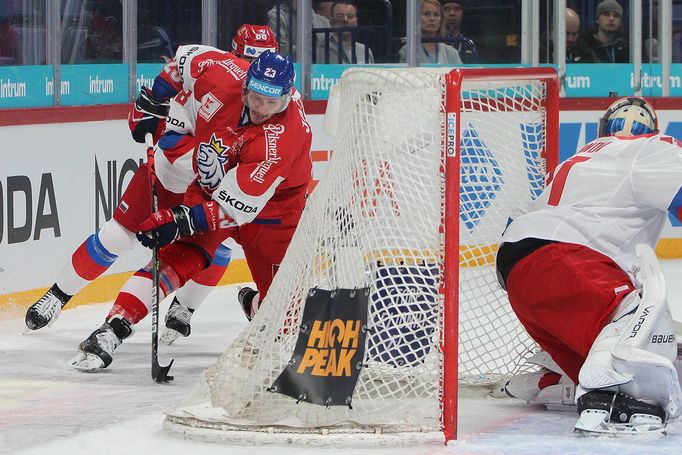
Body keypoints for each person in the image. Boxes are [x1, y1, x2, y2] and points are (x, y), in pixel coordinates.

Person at [24, 26, 279, 347]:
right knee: (118, 234)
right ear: (234, 55)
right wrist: (153, 103)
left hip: (222, 186)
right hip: (175, 171)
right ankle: (57, 295)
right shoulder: (212, 70)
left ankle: (183, 308)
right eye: (244, 60)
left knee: (220, 245)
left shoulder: (279, 104)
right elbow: (176, 72)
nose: (250, 76)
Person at [68, 48, 312, 371]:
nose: (261, 109)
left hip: (275, 208)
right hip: (219, 182)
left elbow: (232, 211)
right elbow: (184, 59)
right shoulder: (221, 72)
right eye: (256, 97)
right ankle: (111, 329)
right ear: (245, 85)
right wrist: (154, 98)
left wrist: (180, 219)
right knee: (181, 257)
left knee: (288, 317)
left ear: (286, 98)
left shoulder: (281, 141)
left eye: (272, 103)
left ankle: (257, 305)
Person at [496, 97, 682, 434]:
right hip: (570, 258)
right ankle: (603, 390)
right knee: (638, 325)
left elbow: (519, 221)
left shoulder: (578, 161)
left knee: (635, 343)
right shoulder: (654, 146)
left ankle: (560, 381)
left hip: (520, 272)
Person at [399, 0, 462, 65]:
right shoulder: (407, 51)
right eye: (426, 14)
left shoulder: (451, 52)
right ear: (416, 18)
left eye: (436, 15)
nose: (432, 18)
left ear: (441, 20)